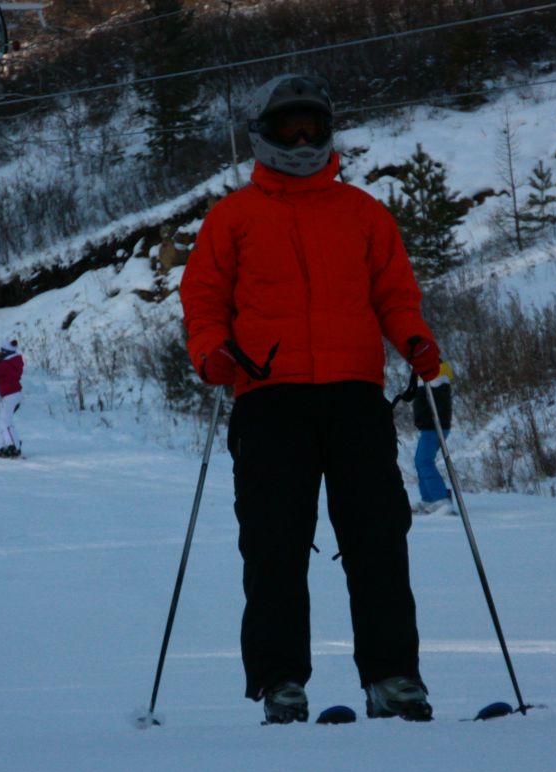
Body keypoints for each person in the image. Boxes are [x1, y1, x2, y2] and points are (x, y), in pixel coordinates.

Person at [180, 74, 443, 724]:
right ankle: (280, 684)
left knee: (379, 539)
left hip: (356, 398)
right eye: (288, 129)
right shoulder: (232, 217)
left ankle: (393, 679)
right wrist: (210, 352)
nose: (301, 141)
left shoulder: (364, 213)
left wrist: (415, 340)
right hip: (269, 400)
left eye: (312, 129)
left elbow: (395, 295)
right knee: (273, 545)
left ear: (327, 133)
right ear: (263, 134)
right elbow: (204, 302)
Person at [412, 360, 456, 515]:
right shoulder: (426, 376)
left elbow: (436, 404)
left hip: (434, 427)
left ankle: (440, 498)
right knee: (420, 461)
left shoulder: (436, 377)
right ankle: (429, 498)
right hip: (429, 427)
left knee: (424, 461)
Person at [0, 338, 23, 458]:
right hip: (15, 394)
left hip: (10, 396)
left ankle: (12, 447)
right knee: (7, 421)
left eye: (1, 351)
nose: (0, 353)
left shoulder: (6, 364)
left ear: (5, 352)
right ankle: (13, 444)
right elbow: (1, 375)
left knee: (5, 421)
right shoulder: (13, 361)